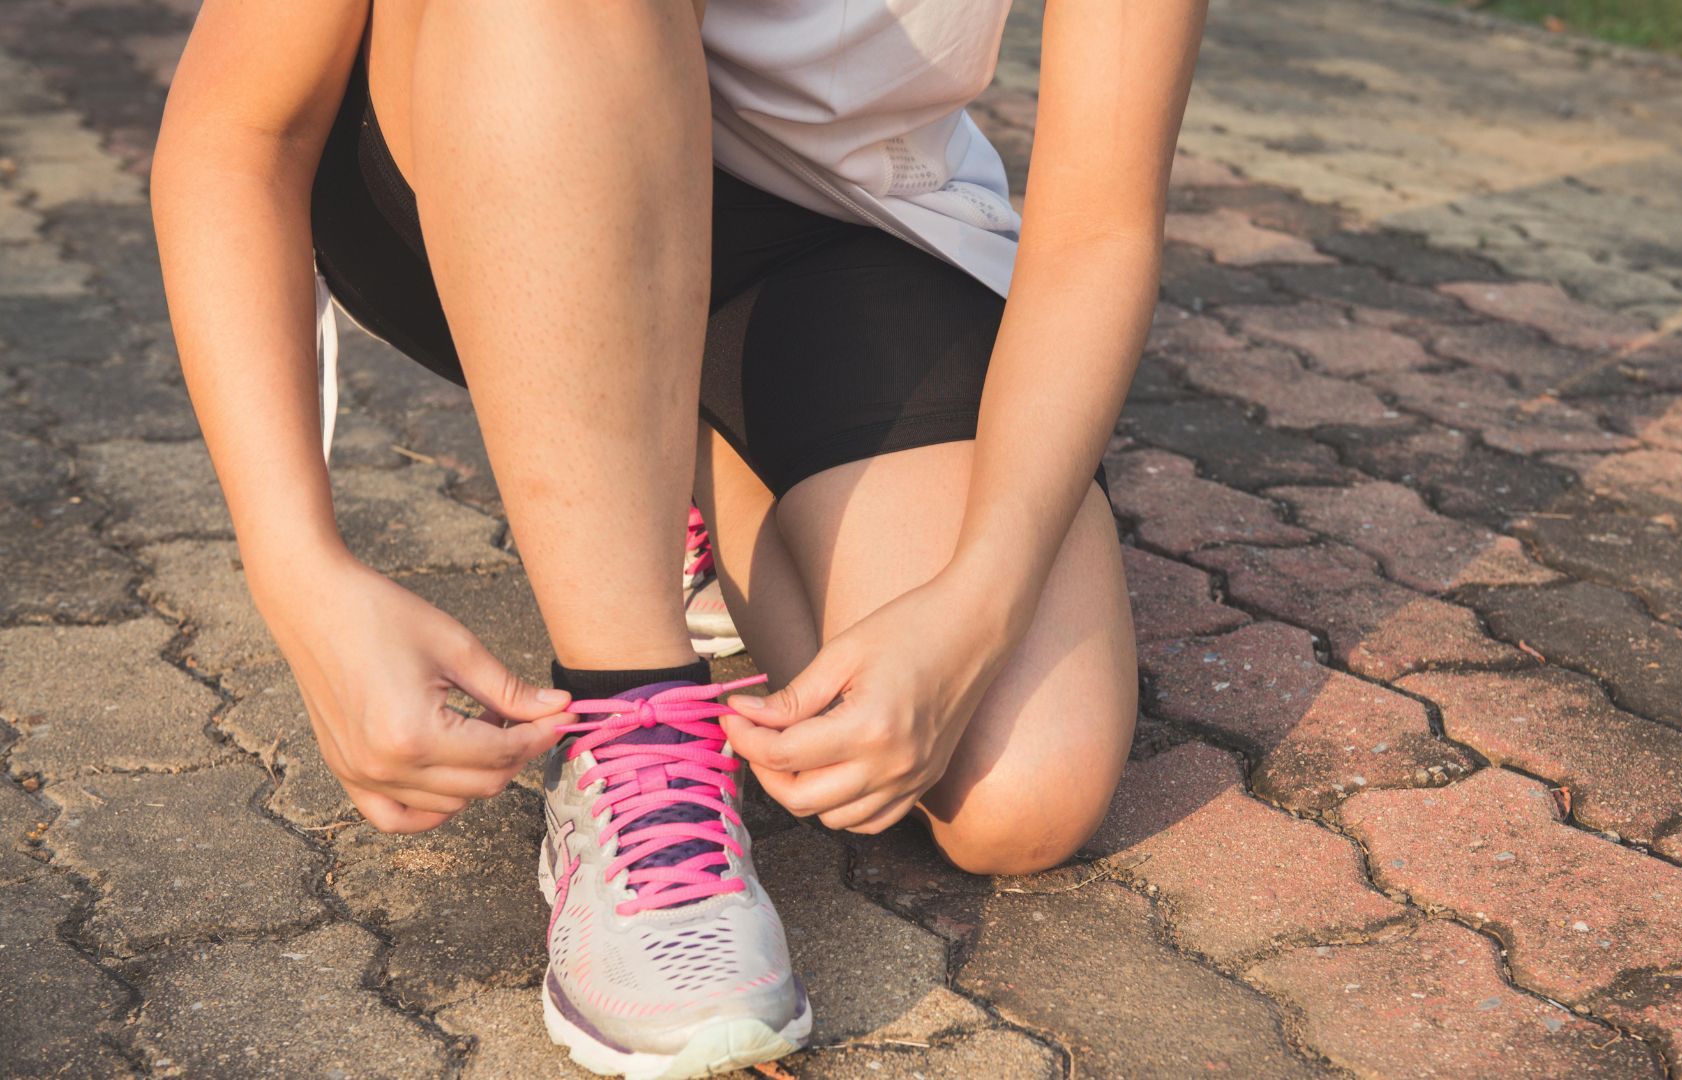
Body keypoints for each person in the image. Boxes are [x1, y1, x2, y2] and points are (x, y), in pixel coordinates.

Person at [150, 2, 1206, 1076]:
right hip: (494, 123)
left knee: (1017, 790)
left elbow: (1100, 226)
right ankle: (632, 726)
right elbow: (238, 132)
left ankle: (664, 454)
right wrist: (296, 566)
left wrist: (980, 599)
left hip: (841, 223)